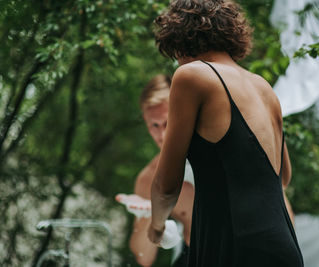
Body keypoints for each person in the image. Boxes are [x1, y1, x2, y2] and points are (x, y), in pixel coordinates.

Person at [148, 0, 303, 266]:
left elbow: (166, 186)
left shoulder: (191, 76)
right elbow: (284, 177)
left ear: (179, 37)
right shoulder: (264, 88)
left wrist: (157, 225)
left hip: (233, 246)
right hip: (283, 244)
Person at [128, 75, 194, 267]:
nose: (162, 134)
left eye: (167, 122)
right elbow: (144, 257)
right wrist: (149, 214)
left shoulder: (216, 152)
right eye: (154, 125)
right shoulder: (149, 178)